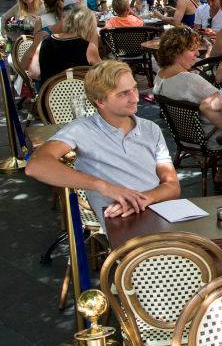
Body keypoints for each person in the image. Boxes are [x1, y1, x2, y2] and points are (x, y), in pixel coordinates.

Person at [26, 60, 180, 226]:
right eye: (123, 94)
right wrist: (104, 186)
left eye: (134, 88)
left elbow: (172, 186)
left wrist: (142, 199)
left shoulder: (151, 129)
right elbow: (35, 166)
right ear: (100, 101)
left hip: (159, 213)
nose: (135, 98)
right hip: (120, 222)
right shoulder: (82, 130)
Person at [153, 27, 222, 156]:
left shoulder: (160, 75)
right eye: (192, 50)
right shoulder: (190, 81)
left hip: (185, 138)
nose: (197, 53)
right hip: (210, 138)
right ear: (176, 52)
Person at [27, 7, 101, 86]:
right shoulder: (89, 47)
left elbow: (33, 73)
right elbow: (103, 72)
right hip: (81, 92)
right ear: (87, 26)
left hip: (50, 92)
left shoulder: (45, 41)